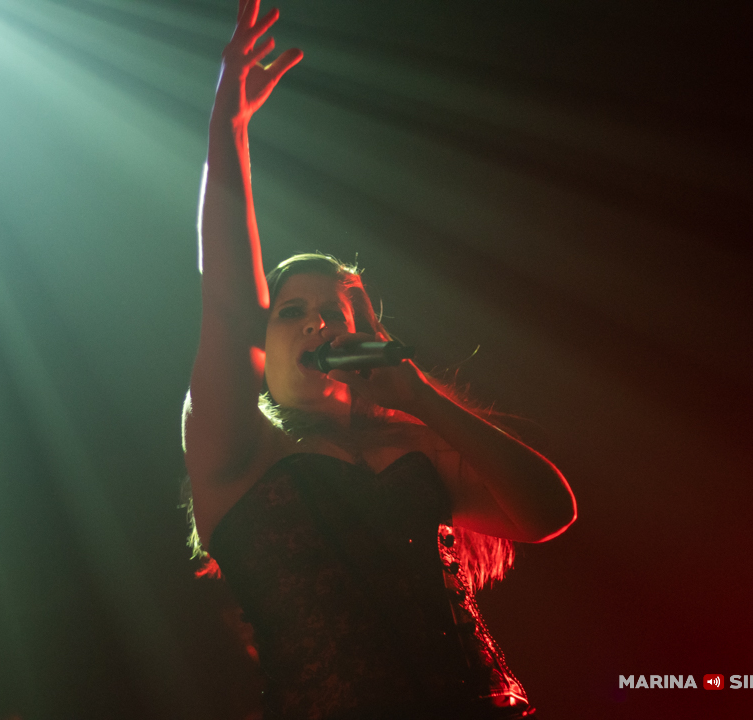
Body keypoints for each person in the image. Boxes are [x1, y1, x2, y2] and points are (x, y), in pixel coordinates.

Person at [182, 2, 577, 718]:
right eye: (291, 311)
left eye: (334, 314)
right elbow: (230, 306)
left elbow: (549, 512)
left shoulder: (412, 442)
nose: (316, 323)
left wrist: (420, 396)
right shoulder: (239, 452)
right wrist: (228, 128)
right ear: (261, 344)